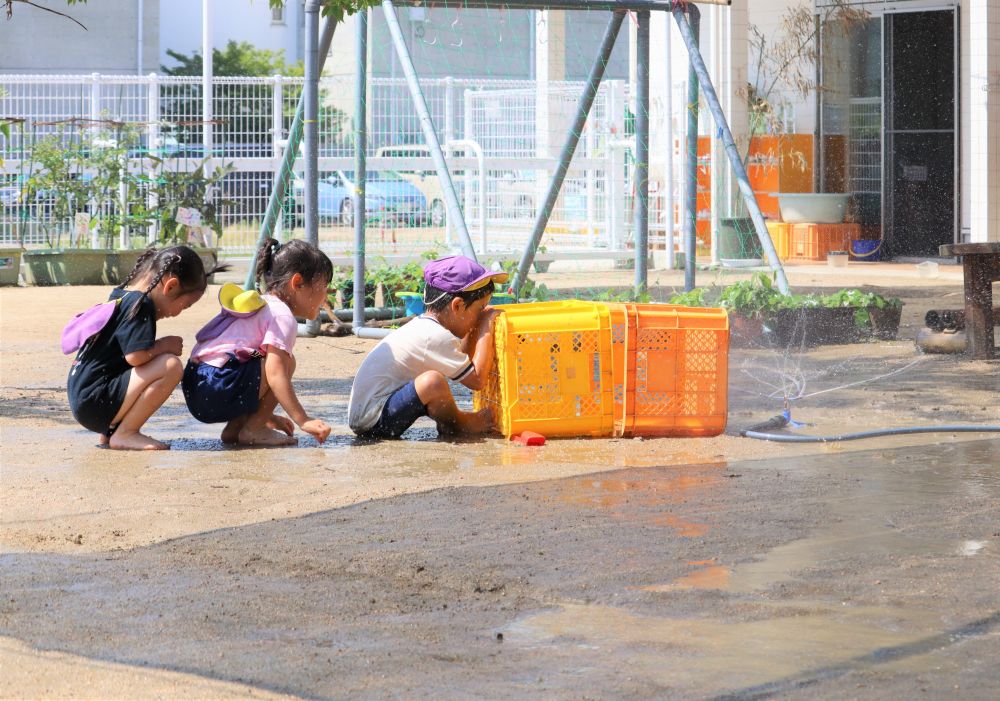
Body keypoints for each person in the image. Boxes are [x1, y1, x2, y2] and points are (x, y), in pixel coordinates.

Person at [66, 246, 226, 451]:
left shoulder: (121, 295)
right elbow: (135, 357)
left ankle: (111, 433)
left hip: (85, 400)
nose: (178, 313)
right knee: (170, 366)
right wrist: (164, 345)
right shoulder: (142, 304)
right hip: (96, 403)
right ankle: (126, 433)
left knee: (130, 363)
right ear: (171, 286)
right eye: (184, 306)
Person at [182, 238, 333, 447]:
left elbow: (242, 354)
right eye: (324, 285)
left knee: (258, 356)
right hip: (218, 384)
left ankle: (236, 428)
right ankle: (254, 429)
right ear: (297, 283)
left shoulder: (261, 305)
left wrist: (269, 416)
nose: (326, 295)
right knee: (284, 363)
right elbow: (274, 374)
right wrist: (303, 420)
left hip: (195, 385)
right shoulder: (282, 316)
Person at [347, 255, 506, 440]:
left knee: (434, 384)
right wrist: (486, 324)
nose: (480, 316)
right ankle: (460, 425)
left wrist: (476, 323)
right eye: (480, 309)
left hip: (370, 413)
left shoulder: (427, 327)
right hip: (373, 421)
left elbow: (461, 358)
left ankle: (452, 424)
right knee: (433, 383)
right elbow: (476, 380)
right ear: (458, 305)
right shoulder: (435, 336)